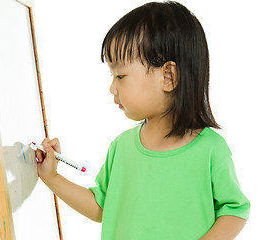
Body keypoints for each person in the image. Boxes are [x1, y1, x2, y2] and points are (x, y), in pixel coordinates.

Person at [36, 1, 250, 239]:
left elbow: (235, 210)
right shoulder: (121, 147)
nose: (112, 88)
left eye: (120, 75)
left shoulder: (210, 149)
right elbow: (102, 207)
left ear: (168, 76)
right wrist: (51, 177)